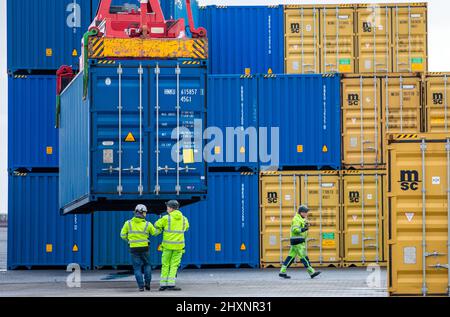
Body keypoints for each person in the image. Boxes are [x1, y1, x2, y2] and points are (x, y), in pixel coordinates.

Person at [120, 204, 158, 291]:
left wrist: (129, 240)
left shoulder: (128, 223)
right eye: (145, 213)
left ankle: (141, 287)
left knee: (137, 268)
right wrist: (160, 228)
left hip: (133, 248)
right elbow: (155, 233)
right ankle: (147, 284)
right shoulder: (147, 224)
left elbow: (122, 235)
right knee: (147, 265)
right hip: (145, 248)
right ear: (143, 213)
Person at [154, 200, 189, 291]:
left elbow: (156, 224)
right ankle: (171, 284)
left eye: (168, 207)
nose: (167, 208)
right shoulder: (184, 219)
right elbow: (187, 227)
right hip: (178, 247)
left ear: (171, 208)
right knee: (174, 265)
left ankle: (163, 285)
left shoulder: (166, 218)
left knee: (165, 264)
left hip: (167, 247)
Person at [279, 205, 321, 279]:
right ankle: (312, 272)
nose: (306, 214)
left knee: (291, 257)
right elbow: (295, 229)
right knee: (304, 257)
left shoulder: (301, 219)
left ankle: (282, 271)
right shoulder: (296, 219)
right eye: (305, 212)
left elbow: (303, 226)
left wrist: (306, 225)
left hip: (298, 240)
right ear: (301, 212)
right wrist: (303, 229)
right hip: (297, 240)